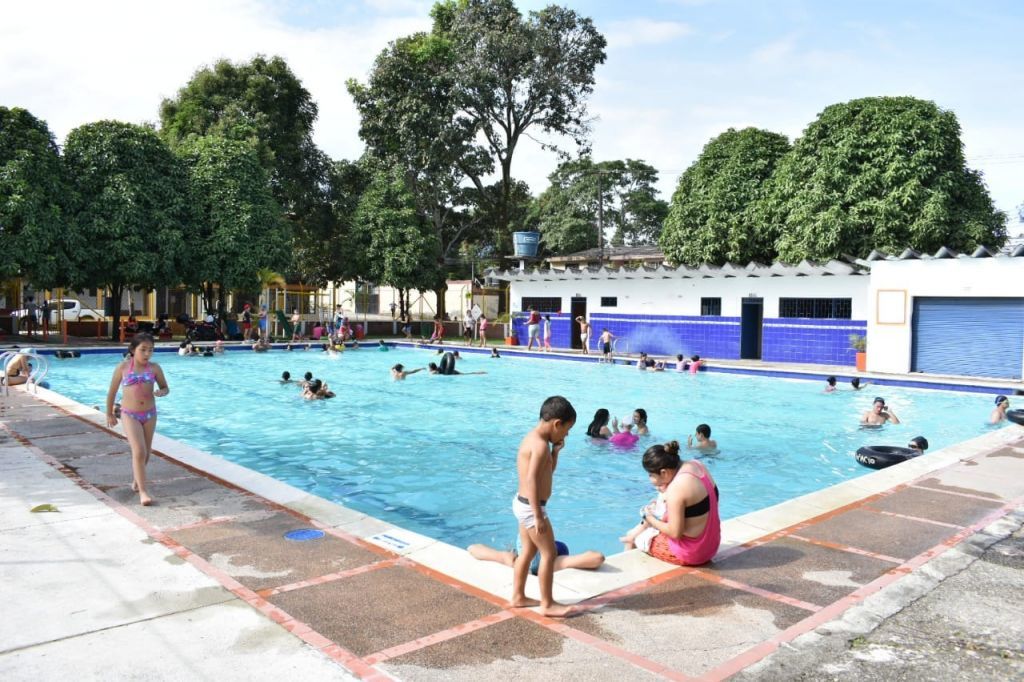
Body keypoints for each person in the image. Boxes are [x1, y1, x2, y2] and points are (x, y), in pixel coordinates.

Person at [511, 396, 576, 617]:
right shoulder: (539, 445)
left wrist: (555, 453)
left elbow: (546, 472)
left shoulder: (535, 440)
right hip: (532, 507)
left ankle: (518, 596)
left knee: (528, 551)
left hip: (522, 503)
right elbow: (531, 480)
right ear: (557, 423)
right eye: (566, 431)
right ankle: (547, 604)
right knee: (549, 553)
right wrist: (538, 516)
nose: (565, 435)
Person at [630, 440, 721, 566]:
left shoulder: (676, 488)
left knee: (636, 538)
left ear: (663, 472)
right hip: (712, 545)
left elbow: (675, 533)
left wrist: (649, 518)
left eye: (650, 474)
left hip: (693, 554)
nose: (650, 479)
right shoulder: (697, 465)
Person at [105, 333, 168, 507]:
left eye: (151, 350)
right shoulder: (123, 368)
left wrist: (162, 391)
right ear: (133, 350)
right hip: (129, 414)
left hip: (149, 414)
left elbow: (165, 386)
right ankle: (143, 492)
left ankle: (136, 480)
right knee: (139, 451)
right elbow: (111, 392)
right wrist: (109, 413)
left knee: (146, 453)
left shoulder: (154, 368)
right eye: (143, 350)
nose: (147, 354)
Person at [468, 540, 604, 574]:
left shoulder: (514, 559)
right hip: (540, 563)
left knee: (506, 555)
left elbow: (473, 548)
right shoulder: (556, 563)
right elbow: (597, 558)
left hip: (522, 559)